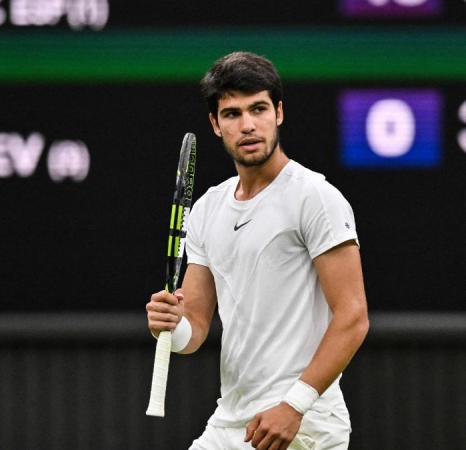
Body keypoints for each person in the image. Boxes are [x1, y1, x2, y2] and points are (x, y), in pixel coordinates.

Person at [146, 51, 369, 450]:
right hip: (232, 422)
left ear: (279, 113)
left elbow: (353, 317)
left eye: (258, 109)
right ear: (215, 124)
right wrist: (170, 325)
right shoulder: (208, 209)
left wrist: (294, 406)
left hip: (306, 424)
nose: (248, 125)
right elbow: (193, 331)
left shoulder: (315, 197)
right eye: (232, 114)